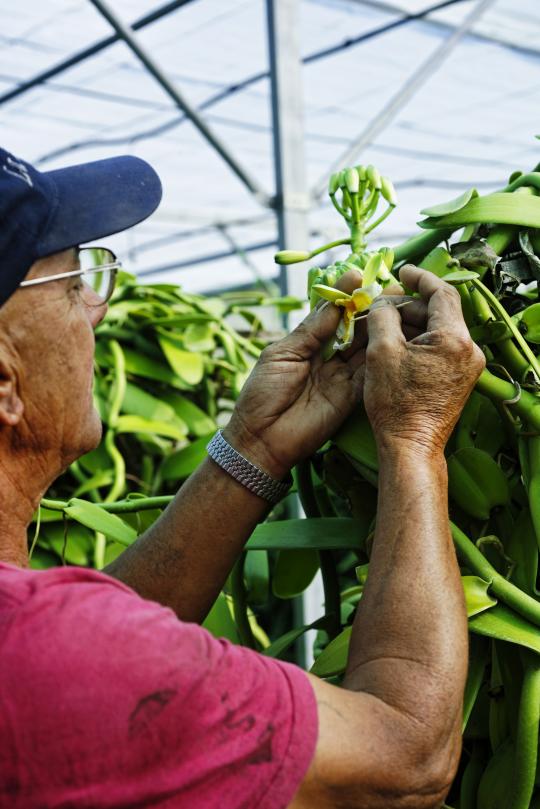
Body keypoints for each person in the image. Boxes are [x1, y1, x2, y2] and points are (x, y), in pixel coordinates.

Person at [0, 147, 485, 809]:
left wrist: (253, 449)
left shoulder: (36, 647)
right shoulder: (38, 657)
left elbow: (84, 655)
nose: (96, 307)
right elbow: (405, 761)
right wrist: (415, 438)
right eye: (71, 285)